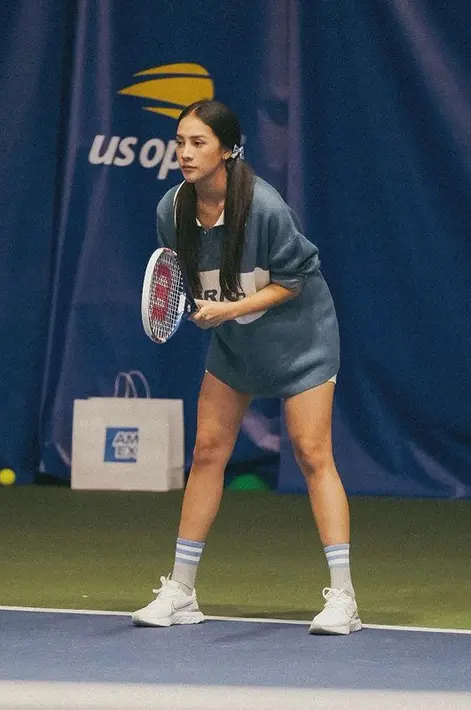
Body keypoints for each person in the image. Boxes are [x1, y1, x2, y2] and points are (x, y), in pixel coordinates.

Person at [132, 100, 361, 635]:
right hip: (236, 347)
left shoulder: (265, 208)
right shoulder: (172, 209)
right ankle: (182, 591)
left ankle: (344, 599)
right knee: (208, 452)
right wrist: (210, 307)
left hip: (302, 342)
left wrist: (228, 309)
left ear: (228, 151)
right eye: (180, 141)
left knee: (311, 453)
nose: (185, 153)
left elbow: (297, 280)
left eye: (198, 143)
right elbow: (182, 273)